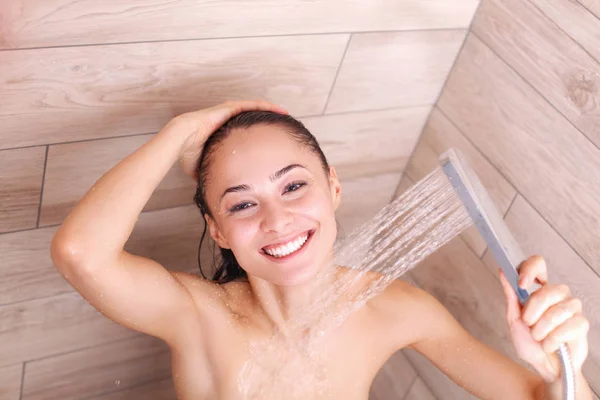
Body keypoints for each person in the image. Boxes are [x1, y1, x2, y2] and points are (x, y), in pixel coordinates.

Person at [51, 100, 593, 399]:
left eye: (293, 186)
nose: (276, 219)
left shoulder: (396, 309)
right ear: (217, 231)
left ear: (333, 188)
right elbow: (81, 254)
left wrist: (560, 370)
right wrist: (181, 131)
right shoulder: (196, 316)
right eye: (241, 206)